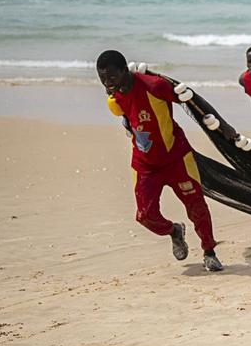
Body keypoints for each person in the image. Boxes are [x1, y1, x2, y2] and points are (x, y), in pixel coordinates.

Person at [95, 50, 223, 271]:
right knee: (145, 216)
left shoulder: (155, 86)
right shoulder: (113, 100)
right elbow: (129, 119)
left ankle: (209, 251)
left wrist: (218, 126)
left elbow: (188, 99)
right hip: (145, 165)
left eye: (112, 77)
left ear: (125, 71)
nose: (108, 83)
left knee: (196, 208)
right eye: (103, 78)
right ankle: (174, 231)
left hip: (176, 158)